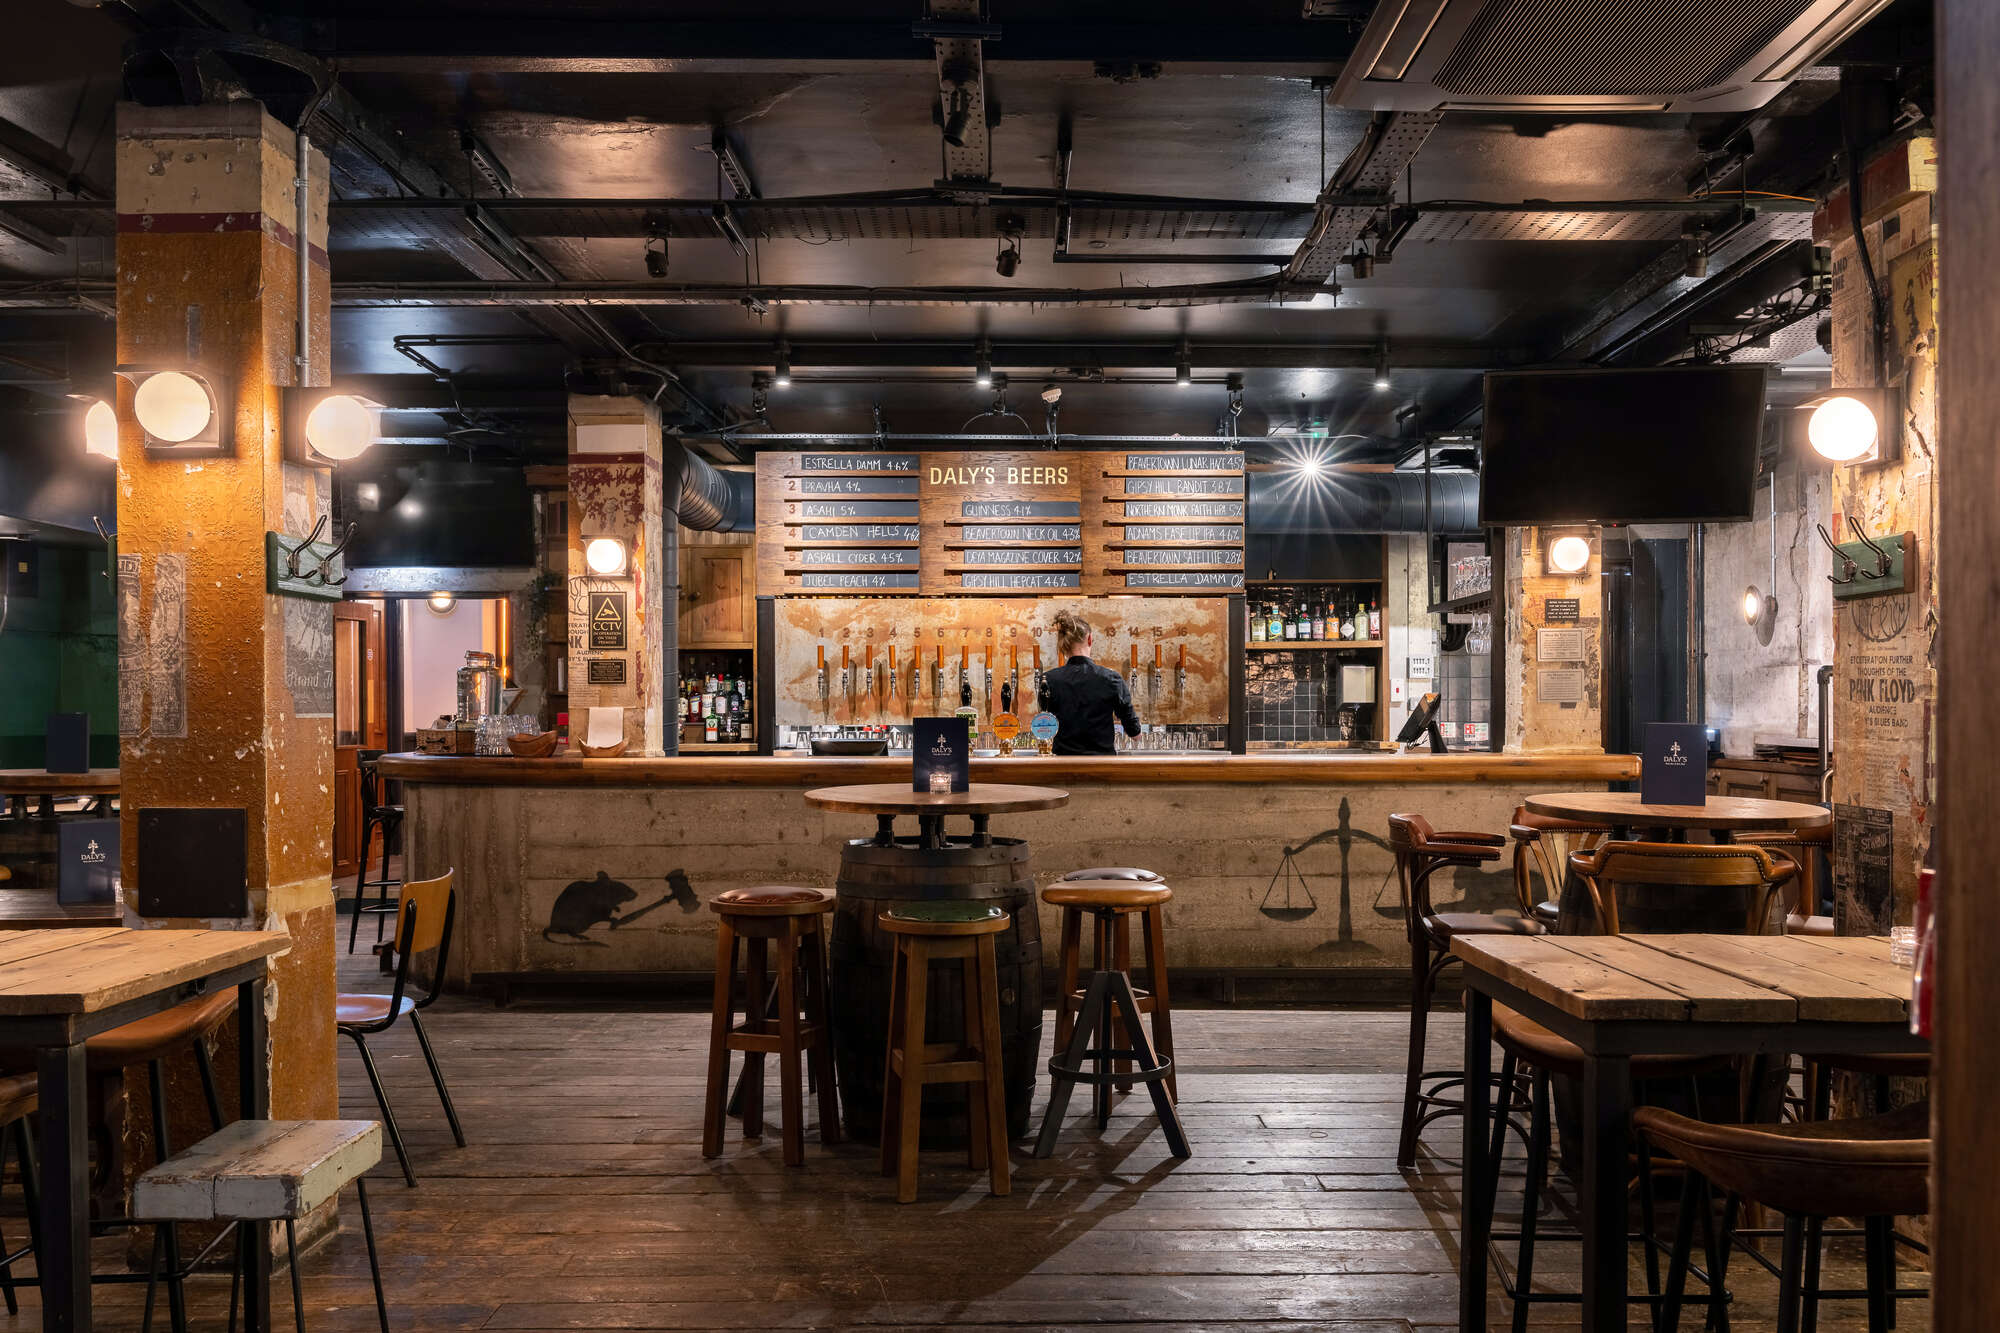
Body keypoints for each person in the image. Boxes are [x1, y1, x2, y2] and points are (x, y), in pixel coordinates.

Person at [1039, 608, 1141, 756]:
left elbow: (1044, 723)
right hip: (1102, 766)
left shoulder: (1048, 680)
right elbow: (1134, 731)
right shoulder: (1111, 679)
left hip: (1062, 765)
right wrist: (1137, 734)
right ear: (1090, 639)